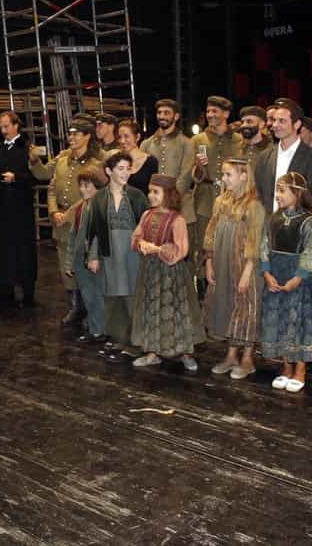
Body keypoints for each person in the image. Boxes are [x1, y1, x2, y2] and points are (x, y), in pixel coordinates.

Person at [259, 172, 312, 392]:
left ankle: (300, 369)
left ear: (297, 193)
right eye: (277, 190)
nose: (277, 195)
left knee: (298, 323)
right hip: (277, 276)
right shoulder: (273, 219)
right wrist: (266, 273)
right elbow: (264, 246)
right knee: (281, 321)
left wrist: (298, 277)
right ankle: (286, 367)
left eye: (282, 191)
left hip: (299, 280)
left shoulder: (308, 222)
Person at [29, 119, 104, 323]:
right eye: (69, 134)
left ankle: (92, 310)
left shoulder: (96, 164)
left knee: (86, 265)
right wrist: (53, 212)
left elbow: (93, 196)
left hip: (83, 222)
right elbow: (49, 184)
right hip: (60, 223)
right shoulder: (63, 159)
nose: (71, 138)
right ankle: (75, 307)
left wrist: (69, 214)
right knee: (66, 266)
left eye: (76, 134)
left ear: (87, 136)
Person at [129, 174, 205, 370]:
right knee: (152, 309)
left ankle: (185, 352)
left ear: (168, 195)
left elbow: (181, 249)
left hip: (172, 274)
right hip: (150, 272)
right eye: (150, 191)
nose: (151, 195)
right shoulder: (147, 215)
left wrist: (157, 249)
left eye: (156, 192)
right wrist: (141, 244)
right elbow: (136, 237)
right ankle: (152, 352)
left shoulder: (177, 219)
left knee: (176, 311)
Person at [204, 157, 266, 380]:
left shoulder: (253, 206)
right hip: (223, 263)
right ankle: (231, 355)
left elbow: (254, 241)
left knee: (246, 309)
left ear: (243, 176)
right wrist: (209, 261)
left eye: (228, 174)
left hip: (244, 267)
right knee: (229, 305)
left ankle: (248, 358)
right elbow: (211, 232)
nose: (224, 178)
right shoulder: (221, 202)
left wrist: (247, 273)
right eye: (223, 174)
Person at [86, 151, 148, 364]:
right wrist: (93, 256)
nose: (125, 173)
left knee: (132, 297)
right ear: (108, 171)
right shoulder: (99, 198)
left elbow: (146, 227)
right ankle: (119, 339)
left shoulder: (137, 196)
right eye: (120, 169)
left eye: (127, 168)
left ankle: (136, 343)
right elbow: (93, 230)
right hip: (109, 254)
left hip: (132, 254)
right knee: (113, 297)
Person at [0, 110, 37, 307]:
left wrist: (16, 178)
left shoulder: (28, 148)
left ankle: (28, 293)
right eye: (1, 127)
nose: (3, 130)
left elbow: (36, 176)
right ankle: (5, 290)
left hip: (20, 208)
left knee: (22, 250)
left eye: (6, 126)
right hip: (0, 208)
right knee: (2, 250)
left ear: (16, 125)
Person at [192, 96, 243, 287]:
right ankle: (205, 288)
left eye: (215, 111)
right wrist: (197, 167)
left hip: (233, 199)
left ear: (226, 114)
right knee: (204, 243)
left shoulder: (239, 140)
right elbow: (194, 176)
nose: (210, 115)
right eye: (208, 111)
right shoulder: (199, 140)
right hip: (205, 200)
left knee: (230, 242)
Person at [252, 98, 312, 217]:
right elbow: (258, 195)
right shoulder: (264, 157)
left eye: (281, 121)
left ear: (297, 124)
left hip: (297, 227)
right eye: (274, 120)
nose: (275, 125)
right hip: (267, 227)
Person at [140, 98, 196, 237]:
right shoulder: (146, 144)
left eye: (167, 113)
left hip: (181, 207)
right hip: (155, 208)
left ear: (176, 116)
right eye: (159, 113)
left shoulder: (186, 143)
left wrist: (170, 201)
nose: (162, 116)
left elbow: (186, 175)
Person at [65, 165, 108, 343]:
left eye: (87, 185)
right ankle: (94, 327)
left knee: (98, 296)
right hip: (80, 259)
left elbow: (100, 235)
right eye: (81, 185)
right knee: (88, 295)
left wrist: (93, 257)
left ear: (97, 186)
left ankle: (101, 330)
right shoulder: (81, 208)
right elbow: (73, 235)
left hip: (95, 260)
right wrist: (69, 262)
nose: (83, 189)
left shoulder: (102, 206)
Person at [116, 119, 157, 196]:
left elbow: (155, 191)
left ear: (137, 137)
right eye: (119, 137)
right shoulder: (115, 161)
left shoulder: (151, 162)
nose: (122, 141)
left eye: (126, 136)